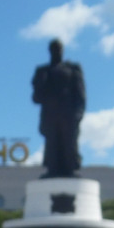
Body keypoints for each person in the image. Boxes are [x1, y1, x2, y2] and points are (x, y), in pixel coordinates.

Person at [31, 39, 85, 178]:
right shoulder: (43, 71)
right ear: (50, 51)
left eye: (59, 48)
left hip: (68, 115)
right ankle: (52, 170)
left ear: (63, 50)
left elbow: (80, 94)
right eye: (54, 49)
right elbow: (36, 97)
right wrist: (41, 82)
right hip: (50, 115)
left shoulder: (72, 69)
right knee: (52, 144)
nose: (57, 51)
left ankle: (71, 169)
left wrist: (78, 113)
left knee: (70, 143)